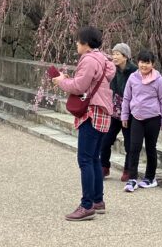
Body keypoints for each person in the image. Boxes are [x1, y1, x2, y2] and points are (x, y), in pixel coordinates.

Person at [52, 26, 115, 221]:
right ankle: (98, 200)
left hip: (91, 113)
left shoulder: (88, 60)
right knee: (94, 158)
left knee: (85, 160)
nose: (77, 45)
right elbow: (88, 83)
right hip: (103, 112)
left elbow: (79, 86)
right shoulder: (104, 60)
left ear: (86, 44)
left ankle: (87, 205)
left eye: (78, 42)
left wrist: (61, 81)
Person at [121, 48, 162, 192]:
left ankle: (150, 178)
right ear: (138, 63)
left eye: (147, 63)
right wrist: (124, 115)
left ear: (152, 64)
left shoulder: (158, 80)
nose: (144, 66)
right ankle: (132, 178)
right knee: (134, 147)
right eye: (142, 62)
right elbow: (126, 98)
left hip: (153, 119)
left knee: (150, 148)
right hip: (136, 117)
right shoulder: (133, 78)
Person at [100, 42, 137, 181]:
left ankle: (128, 169)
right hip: (114, 112)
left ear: (125, 56)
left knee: (129, 143)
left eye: (117, 54)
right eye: (113, 53)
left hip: (129, 113)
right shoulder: (111, 69)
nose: (114, 56)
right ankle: (104, 167)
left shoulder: (134, 71)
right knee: (105, 140)